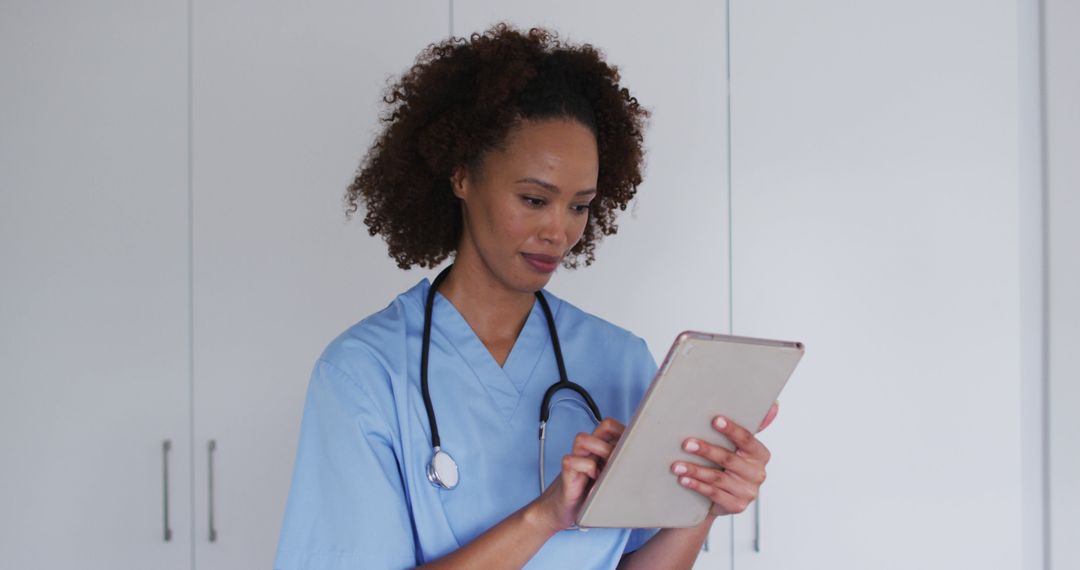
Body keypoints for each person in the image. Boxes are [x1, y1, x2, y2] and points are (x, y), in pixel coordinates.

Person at [274, 23, 778, 570]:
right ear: (462, 176)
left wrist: (705, 498)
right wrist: (543, 516)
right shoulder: (365, 373)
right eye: (535, 199)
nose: (558, 232)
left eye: (579, 205)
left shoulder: (620, 361)